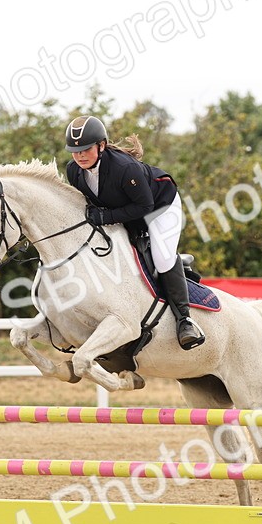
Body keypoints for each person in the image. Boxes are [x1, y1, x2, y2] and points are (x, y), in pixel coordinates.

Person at [63, 115, 206, 350]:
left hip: (161, 207)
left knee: (161, 256)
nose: (79, 155)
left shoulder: (124, 168)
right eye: (74, 150)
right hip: (129, 213)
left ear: (101, 145)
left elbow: (144, 207)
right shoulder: (74, 171)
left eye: (86, 149)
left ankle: (185, 320)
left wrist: (105, 217)